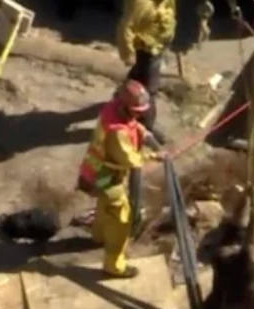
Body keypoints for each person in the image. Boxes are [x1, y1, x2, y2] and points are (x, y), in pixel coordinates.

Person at [78, 81, 164, 279]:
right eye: (135, 111)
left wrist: (148, 137)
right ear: (125, 106)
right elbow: (130, 160)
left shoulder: (112, 110)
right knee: (121, 220)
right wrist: (155, 156)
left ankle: (98, 236)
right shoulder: (118, 133)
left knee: (104, 206)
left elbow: (134, 126)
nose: (138, 114)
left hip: (95, 173)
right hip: (109, 178)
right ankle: (114, 266)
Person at [117, 0, 176, 142]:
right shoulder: (141, 4)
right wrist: (127, 54)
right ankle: (146, 130)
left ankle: (121, 101)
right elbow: (125, 28)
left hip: (159, 42)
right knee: (150, 92)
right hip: (147, 49)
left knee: (137, 77)